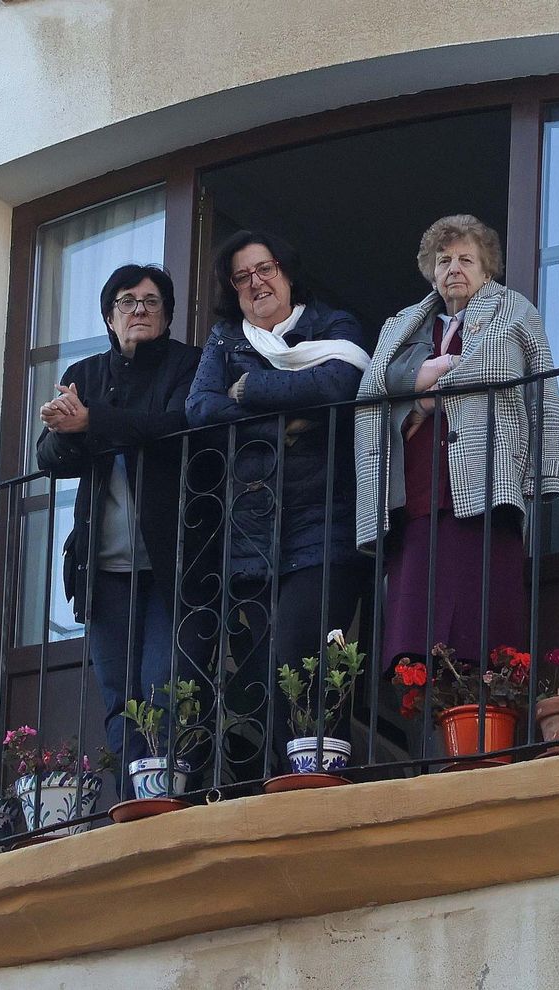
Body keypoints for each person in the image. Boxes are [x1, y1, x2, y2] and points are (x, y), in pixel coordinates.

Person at [185, 230, 372, 777]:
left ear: (286, 272)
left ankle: (320, 773)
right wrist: (281, 423)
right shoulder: (226, 340)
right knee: (265, 668)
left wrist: (249, 391)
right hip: (253, 530)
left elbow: (339, 383)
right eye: (242, 277)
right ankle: (290, 777)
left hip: (327, 519)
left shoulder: (332, 325)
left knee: (304, 651)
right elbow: (200, 408)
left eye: (264, 269)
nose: (256, 283)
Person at [36, 263, 217, 797]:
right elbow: (50, 457)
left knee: (166, 685)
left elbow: (179, 425)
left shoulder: (189, 365)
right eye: (127, 301)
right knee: (119, 695)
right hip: (104, 568)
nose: (139, 310)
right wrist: (64, 429)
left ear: (167, 315)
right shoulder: (86, 374)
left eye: (151, 301)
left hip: (174, 564)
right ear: (109, 317)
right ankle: (136, 801)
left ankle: (169, 794)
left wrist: (93, 422)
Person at [354, 214, 559, 672]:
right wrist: (416, 399)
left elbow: (526, 383)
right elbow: (371, 388)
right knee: (415, 630)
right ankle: (420, 704)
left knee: (483, 626)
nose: (454, 268)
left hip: (490, 483)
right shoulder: (401, 325)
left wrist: (544, 471)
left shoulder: (515, 312)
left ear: (487, 270)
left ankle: (487, 707)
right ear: (431, 272)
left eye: (466, 259)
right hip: (416, 494)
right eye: (444, 260)